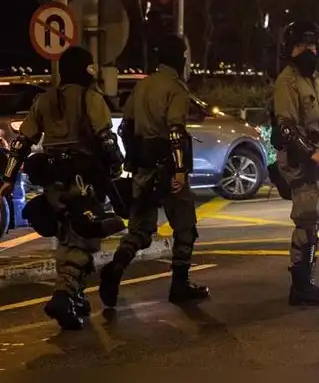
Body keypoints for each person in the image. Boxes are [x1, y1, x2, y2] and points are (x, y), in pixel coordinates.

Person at [0, 47, 124, 330]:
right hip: (84, 179)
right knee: (85, 236)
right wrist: (116, 166)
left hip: (52, 180)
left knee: (66, 234)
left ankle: (76, 295)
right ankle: (64, 295)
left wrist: (7, 178)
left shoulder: (44, 100)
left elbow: (22, 141)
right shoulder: (90, 98)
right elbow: (106, 139)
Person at [99, 35, 209, 308]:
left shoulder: (142, 86)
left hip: (143, 169)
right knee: (185, 228)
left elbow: (125, 128)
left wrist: (133, 160)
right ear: (180, 58)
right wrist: (180, 171)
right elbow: (175, 132)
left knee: (139, 230)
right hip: (169, 170)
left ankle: (116, 267)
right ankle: (179, 285)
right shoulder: (176, 89)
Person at [270, 21, 319, 306]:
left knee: (318, 217)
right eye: (302, 45)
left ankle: (306, 280)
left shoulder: (312, 79)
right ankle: (301, 287)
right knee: (307, 219)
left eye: (312, 45)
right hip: (301, 160)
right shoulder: (287, 80)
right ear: (290, 49)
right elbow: (286, 127)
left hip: (314, 157)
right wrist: (311, 154)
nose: (309, 50)